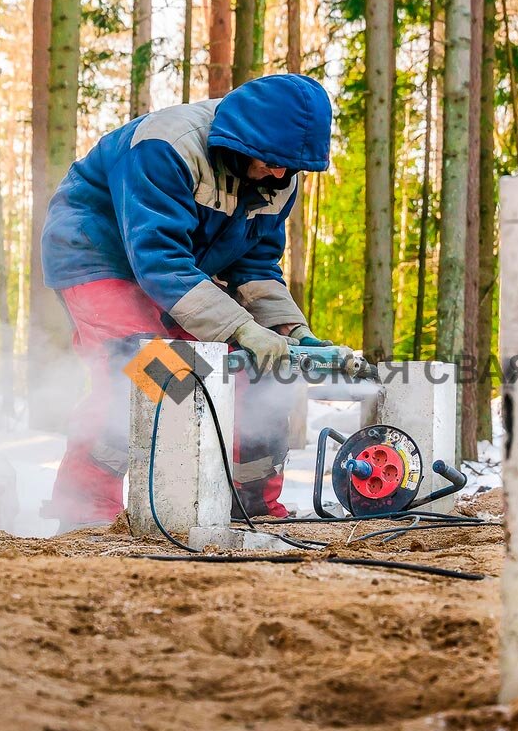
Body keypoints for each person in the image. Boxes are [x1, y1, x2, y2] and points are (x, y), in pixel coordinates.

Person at [40, 73, 334, 532]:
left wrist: (289, 332)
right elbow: (158, 260)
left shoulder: (281, 175)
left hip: (182, 266)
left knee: (255, 374)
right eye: (274, 161)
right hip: (97, 252)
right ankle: (85, 512)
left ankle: (248, 504)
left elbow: (255, 266)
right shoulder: (165, 146)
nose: (281, 174)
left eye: (291, 166)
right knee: (143, 371)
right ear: (242, 138)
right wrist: (239, 326)